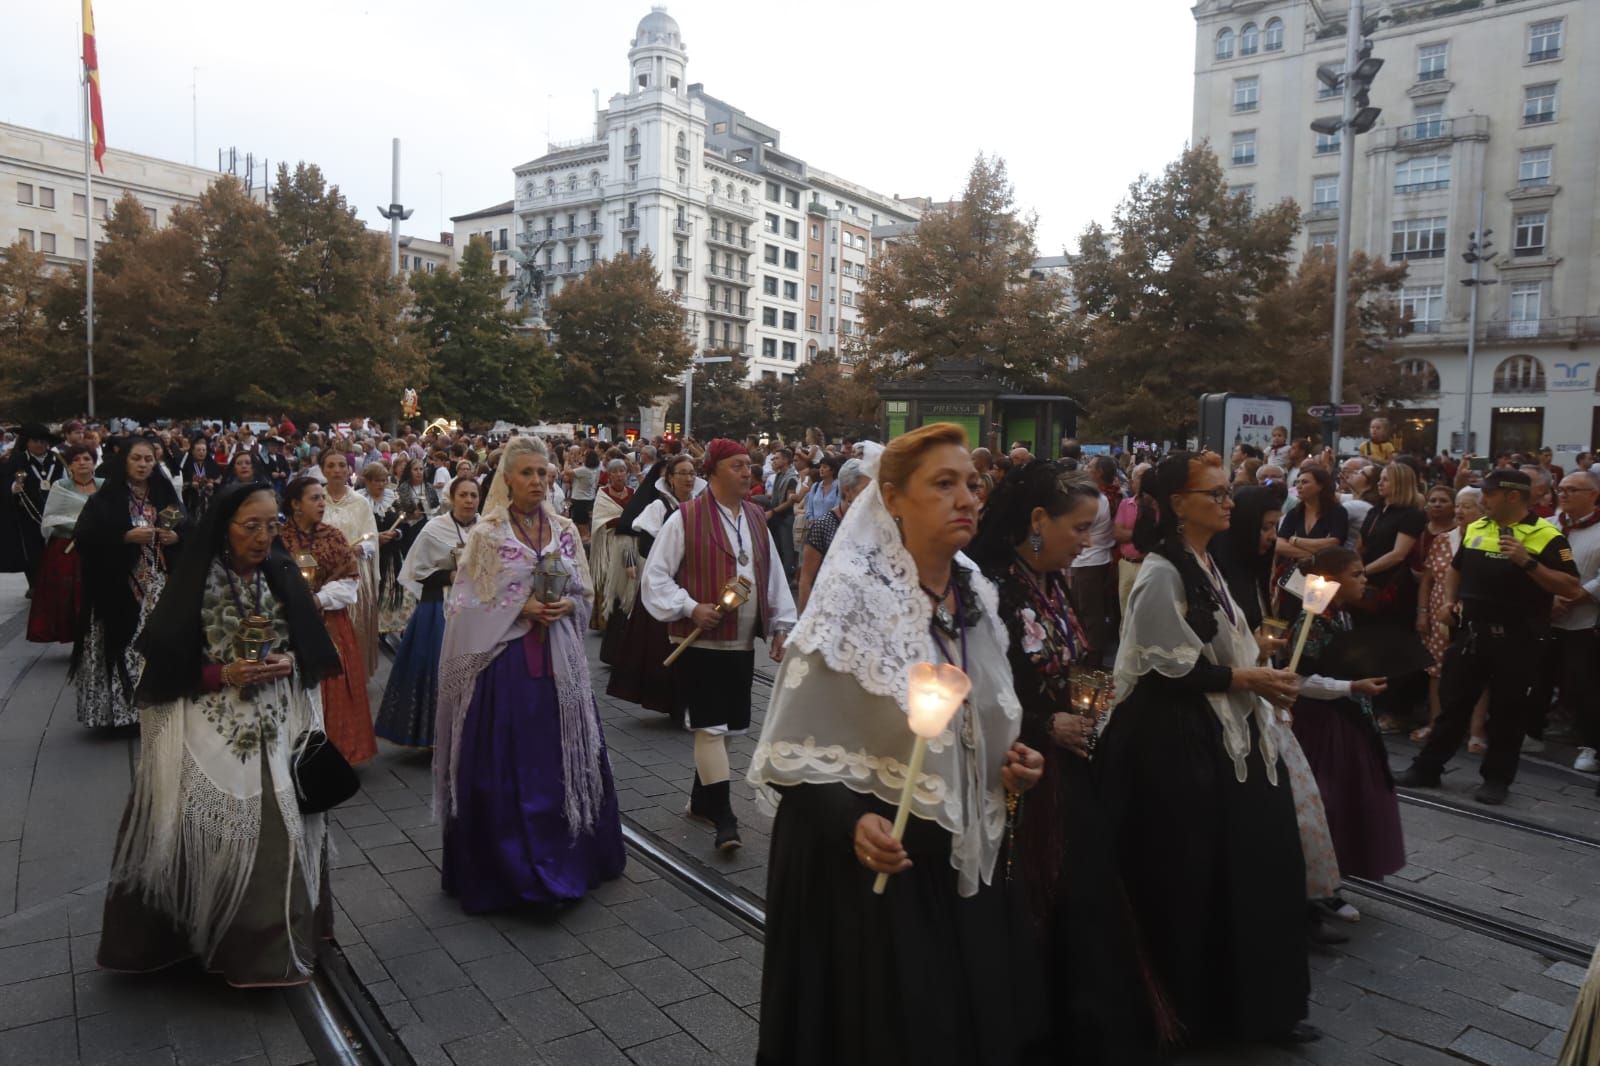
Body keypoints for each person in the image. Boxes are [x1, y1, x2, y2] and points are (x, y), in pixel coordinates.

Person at [748, 423, 1049, 1066]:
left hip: (957, 854)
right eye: (943, 484)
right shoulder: (853, 599)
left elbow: (983, 716)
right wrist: (852, 819)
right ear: (892, 499)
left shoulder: (972, 590)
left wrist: (1010, 764)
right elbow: (790, 750)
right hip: (875, 871)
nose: (967, 497)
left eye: (972, 483)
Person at [1096, 452, 1314, 1046]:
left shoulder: (1204, 561)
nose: (1225, 502)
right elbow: (1168, 666)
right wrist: (1248, 680)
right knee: (1198, 875)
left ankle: (1257, 1004)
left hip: (1223, 732)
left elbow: (1214, 647)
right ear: (1176, 504)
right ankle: (1200, 1009)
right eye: (1213, 493)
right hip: (1180, 742)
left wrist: (1258, 662)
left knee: (1253, 866)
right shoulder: (1162, 569)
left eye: (1225, 492)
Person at [96, 482, 344, 988]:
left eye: (272, 525)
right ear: (222, 527)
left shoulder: (281, 573)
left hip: (273, 728)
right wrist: (223, 675)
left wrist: (288, 660)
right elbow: (166, 668)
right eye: (250, 526)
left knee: (276, 830)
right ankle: (189, 938)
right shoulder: (195, 582)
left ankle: (268, 953)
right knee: (200, 828)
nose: (263, 536)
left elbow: (309, 648)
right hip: (209, 728)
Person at [970, 459, 1159, 1062]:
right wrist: (1044, 723)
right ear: (1035, 521)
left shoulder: (1050, 581)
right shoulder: (991, 588)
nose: (1086, 543)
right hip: (1024, 775)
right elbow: (974, 694)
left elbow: (1079, 658)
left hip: (1071, 767)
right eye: (1078, 528)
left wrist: (1094, 704)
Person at [433, 436, 625, 913]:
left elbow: (583, 591)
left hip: (559, 664)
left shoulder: (562, 530)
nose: (538, 481)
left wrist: (565, 604)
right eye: (527, 473)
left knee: (562, 758)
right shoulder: (488, 534)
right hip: (507, 667)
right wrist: (522, 605)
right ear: (507, 479)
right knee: (510, 761)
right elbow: (464, 603)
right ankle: (510, 863)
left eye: (544, 473)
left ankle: (573, 853)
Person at [642, 439, 797, 851]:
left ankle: (700, 799)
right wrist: (690, 607)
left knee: (729, 728)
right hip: (702, 642)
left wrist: (781, 625)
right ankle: (724, 815)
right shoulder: (686, 518)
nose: (748, 472)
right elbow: (655, 577)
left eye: (750, 465)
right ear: (712, 472)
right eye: (737, 465)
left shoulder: (756, 517)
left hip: (742, 643)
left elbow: (773, 574)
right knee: (710, 727)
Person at [1400, 469, 1582, 804]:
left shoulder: (1546, 534)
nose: (1482, 499)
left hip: (1519, 640)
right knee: (1452, 707)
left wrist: (1527, 563)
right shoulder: (1477, 528)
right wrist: (1450, 601)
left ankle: (1496, 780)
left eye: (1489, 493)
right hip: (1472, 635)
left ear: (1513, 496)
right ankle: (1427, 768)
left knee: (1508, 713)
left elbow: (1570, 586)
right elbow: (1456, 568)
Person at [1289, 548, 1406, 919]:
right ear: (1334, 581)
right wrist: (1350, 687)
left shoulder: (1339, 613)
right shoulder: (1313, 618)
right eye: (1357, 574)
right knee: (1327, 803)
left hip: (1350, 720)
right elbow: (1298, 679)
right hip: (1322, 724)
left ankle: (1330, 881)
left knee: (1352, 799)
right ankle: (1318, 888)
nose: (1364, 580)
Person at [72, 439, 185, 729]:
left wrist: (176, 538)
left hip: (158, 583)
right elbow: (85, 536)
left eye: (148, 459)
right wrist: (124, 537)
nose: (143, 464)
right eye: (137, 458)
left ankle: (160, 704)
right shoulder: (106, 497)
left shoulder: (164, 492)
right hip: (118, 583)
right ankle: (123, 713)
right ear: (125, 461)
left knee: (155, 642)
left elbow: (187, 524)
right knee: (124, 642)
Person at [277, 477, 376, 767]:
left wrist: (319, 600)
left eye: (322, 498)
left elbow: (349, 581)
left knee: (335, 685)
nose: (321, 504)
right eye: (314, 498)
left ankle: (340, 753)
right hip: (291, 624)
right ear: (295, 503)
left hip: (331, 622)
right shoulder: (279, 540)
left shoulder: (333, 537)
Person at [376, 476, 480, 750]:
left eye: (474, 495)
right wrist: (450, 574)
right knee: (437, 666)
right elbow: (417, 572)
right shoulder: (434, 528)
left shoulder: (488, 529)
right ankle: (435, 736)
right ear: (452, 498)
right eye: (464, 495)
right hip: (439, 607)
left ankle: (473, 735)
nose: (469, 500)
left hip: (480, 609)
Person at [606, 455, 699, 712]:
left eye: (692, 473)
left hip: (694, 585)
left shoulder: (699, 505)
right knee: (661, 643)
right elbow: (645, 545)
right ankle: (667, 698)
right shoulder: (658, 508)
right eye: (682, 473)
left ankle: (690, 699)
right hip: (666, 582)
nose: (688, 478)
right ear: (670, 478)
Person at [1548, 473, 1600, 774]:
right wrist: (1548, 600)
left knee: (1584, 684)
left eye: (1572, 490)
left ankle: (1591, 744)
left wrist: (1574, 598)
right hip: (1545, 615)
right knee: (1539, 677)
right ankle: (1530, 732)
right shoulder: (1551, 525)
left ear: (1593, 495)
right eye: (1561, 489)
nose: (1563, 495)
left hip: (1583, 620)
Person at [26, 445, 100, 644]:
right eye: (76, 460)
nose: (82, 462)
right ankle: (74, 636)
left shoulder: (105, 486)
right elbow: (51, 517)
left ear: (94, 463)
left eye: (86, 458)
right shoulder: (61, 486)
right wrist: (79, 528)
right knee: (68, 594)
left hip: (98, 547)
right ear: (70, 465)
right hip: (67, 547)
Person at [319, 449, 380, 675]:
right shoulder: (317, 499)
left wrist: (359, 548)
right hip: (323, 575)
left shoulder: (360, 503)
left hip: (354, 571)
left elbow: (372, 539)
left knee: (354, 628)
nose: (336, 470)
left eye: (341, 465)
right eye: (331, 465)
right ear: (323, 470)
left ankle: (355, 675)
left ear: (349, 470)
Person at [1412, 485, 1459, 742]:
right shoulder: (1441, 541)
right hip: (1438, 611)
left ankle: (1473, 729)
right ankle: (1435, 722)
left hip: (1469, 613)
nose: (1437, 505)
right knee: (1436, 669)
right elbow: (1427, 580)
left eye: (1445, 501)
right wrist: (1422, 613)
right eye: (1433, 500)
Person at [796, 457, 870, 613]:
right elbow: (806, 581)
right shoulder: (824, 526)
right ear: (848, 491)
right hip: (828, 613)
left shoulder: (873, 525)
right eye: (867, 489)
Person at [1274, 467, 1348, 614]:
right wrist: (1313, 554)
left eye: (1305, 482)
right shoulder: (1295, 513)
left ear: (1321, 486)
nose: (1299, 486)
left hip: (1324, 578)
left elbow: (1333, 544)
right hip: (1296, 577)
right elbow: (1279, 544)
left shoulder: (1337, 512)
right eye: (1297, 482)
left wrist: (1294, 540)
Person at [1068, 456, 1120, 666]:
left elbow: (1078, 526)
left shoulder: (1097, 499)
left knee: (1091, 612)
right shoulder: (1091, 497)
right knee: (1080, 609)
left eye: (1089, 466)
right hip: (1083, 561)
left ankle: (1093, 657)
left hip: (1092, 561)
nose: (1085, 468)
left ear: (1098, 473)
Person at [1211, 486, 1283, 632]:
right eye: (1265, 528)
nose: (1273, 536)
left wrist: (1280, 628)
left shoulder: (1252, 562)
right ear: (1246, 527)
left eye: (1275, 526)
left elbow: (1261, 613)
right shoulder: (1218, 571)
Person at [1, 423, 64, 588]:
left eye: (43, 441)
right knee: (32, 551)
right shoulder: (18, 460)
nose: (39, 445)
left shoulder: (57, 460)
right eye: (35, 441)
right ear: (27, 442)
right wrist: (14, 486)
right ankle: (35, 586)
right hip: (28, 514)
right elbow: (8, 480)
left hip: (55, 512)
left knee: (56, 550)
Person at [588, 459, 636, 634]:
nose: (619, 475)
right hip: (609, 543)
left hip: (629, 543)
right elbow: (599, 520)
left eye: (622, 471)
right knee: (609, 577)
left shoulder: (633, 492)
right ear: (609, 475)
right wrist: (624, 520)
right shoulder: (603, 494)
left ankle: (626, 619)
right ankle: (605, 621)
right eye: (615, 471)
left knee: (628, 579)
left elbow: (639, 514)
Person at [1113, 463, 1151, 617]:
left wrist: (1130, 534)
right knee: (1126, 611)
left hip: (1148, 565)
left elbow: (1155, 536)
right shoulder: (1125, 504)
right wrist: (1142, 535)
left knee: (1146, 612)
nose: (1140, 482)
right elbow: (1117, 534)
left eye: (1145, 477)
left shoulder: (1156, 506)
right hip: (1127, 564)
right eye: (1137, 478)